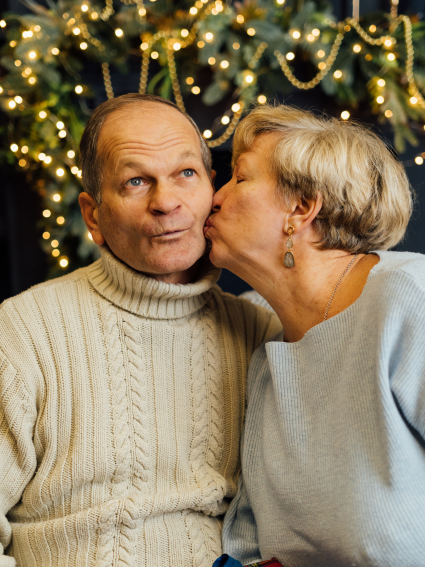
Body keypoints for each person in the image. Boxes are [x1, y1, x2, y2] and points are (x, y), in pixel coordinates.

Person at [0, 94, 281, 567]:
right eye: (135, 181)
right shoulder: (25, 330)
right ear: (94, 215)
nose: (166, 202)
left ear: (212, 189)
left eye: (185, 174)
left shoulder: (259, 332)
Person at [205, 104, 425, 566]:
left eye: (239, 178)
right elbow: (249, 546)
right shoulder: (260, 334)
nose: (214, 197)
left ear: (300, 209)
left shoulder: (410, 299)